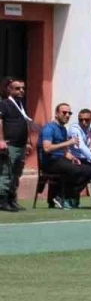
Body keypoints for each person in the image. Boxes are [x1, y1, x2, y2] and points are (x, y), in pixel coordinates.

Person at [38, 103, 91, 209]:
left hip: (61, 160)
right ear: (56, 114)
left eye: (69, 113)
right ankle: (62, 197)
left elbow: (65, 151)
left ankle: (63, 196)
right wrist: (68, 143)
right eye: (64, 112)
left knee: (88, 170)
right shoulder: (49, 128)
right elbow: (47, 148)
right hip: (49, 162)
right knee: (75, 170)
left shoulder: (63, 129)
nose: (67, 115)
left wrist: (73, 158)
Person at [0, 77, 33, 212]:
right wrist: (1, 140)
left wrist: (28, 141)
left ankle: (11, 199)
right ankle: (2, 200)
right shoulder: (5, 104)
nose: (21, 91)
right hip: (10, 144)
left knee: (16, 173)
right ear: (9, 89)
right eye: (18, 88)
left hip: (21, 145)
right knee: (7, 172)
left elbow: (25, 123)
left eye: (23, 88)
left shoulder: (20, 104)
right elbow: (0, 122)